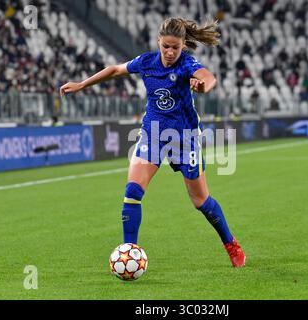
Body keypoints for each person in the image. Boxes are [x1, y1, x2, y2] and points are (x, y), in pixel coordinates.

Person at [60, 17, 246, 267]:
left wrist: (201, 87)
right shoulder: (146, 62)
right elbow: (115, 70)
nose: (170, 52)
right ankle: (129, 252)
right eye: (166, 46)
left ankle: (231, 244)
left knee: (200, 201)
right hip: (153, 134)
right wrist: (83, 84)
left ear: (183, 46)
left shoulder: (186, 64)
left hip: (185, 138)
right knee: (132, 192)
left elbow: (208, 77)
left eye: (175, 48)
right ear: (159, 41)